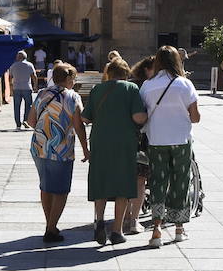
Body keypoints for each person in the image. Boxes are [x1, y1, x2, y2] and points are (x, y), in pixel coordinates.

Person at [82, 55, 147, 245]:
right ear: (126, 73)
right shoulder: (131, 88)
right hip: (124, 143)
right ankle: (117, 231)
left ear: (108, 74)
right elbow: (138, 117)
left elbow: (86, 118)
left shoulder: (97, 90)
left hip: (100, 141)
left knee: (101, 182)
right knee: (123, 185)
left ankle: (99, 221)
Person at [140, 46, 201, 248]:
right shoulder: (185, 84)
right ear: (177, 61)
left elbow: (142, 115)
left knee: (158, 182)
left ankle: (156, 229)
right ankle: (178, 229)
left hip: (156, 140)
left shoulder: (147, 86)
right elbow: (195, 117)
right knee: (180, 182)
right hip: (181, 140)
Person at [31, 63, 89, 243]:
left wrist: (46, 130)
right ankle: (50, 228)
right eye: (74, 79)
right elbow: (79, 126)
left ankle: (51, 225)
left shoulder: (42, 93)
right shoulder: (72, 97)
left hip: (39, 146)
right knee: (61, 190)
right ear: (69, 79)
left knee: (46, 186)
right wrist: (86, 149)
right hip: (61, 149)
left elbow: (31, 120)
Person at [122, 56, 156, 234]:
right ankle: (132, 219)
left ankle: (127, 217)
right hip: (141, 138)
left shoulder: (134, 85)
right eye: (155, 70)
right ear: (146, 69)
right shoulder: (143, 87)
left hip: (126, 138)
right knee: (139, 179)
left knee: (132, 178)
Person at [9, 50, 37, 130]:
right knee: (28, 105)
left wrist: (11, 88)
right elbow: (34, 76)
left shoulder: (13, 65)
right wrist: (35, 86)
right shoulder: (29, 65)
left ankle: (18, 124)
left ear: (18, 57)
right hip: (27, 87)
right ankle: (25, 120)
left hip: (16, 88)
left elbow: (10, 77)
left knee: (16, 106)